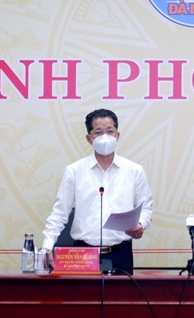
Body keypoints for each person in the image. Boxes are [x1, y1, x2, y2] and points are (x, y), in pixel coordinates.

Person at [41, 109, 154, 273]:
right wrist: (47, 245)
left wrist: (141, 224)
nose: (105, 137)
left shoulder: (134, 170)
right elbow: (60, 212)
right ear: (89, 138)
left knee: (121, 298)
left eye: (110, 131)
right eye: (99, 132)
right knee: (84, 299)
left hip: (120, 254)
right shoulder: (74, 171)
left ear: (117, 135)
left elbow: (146, 208)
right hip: (83, 254)